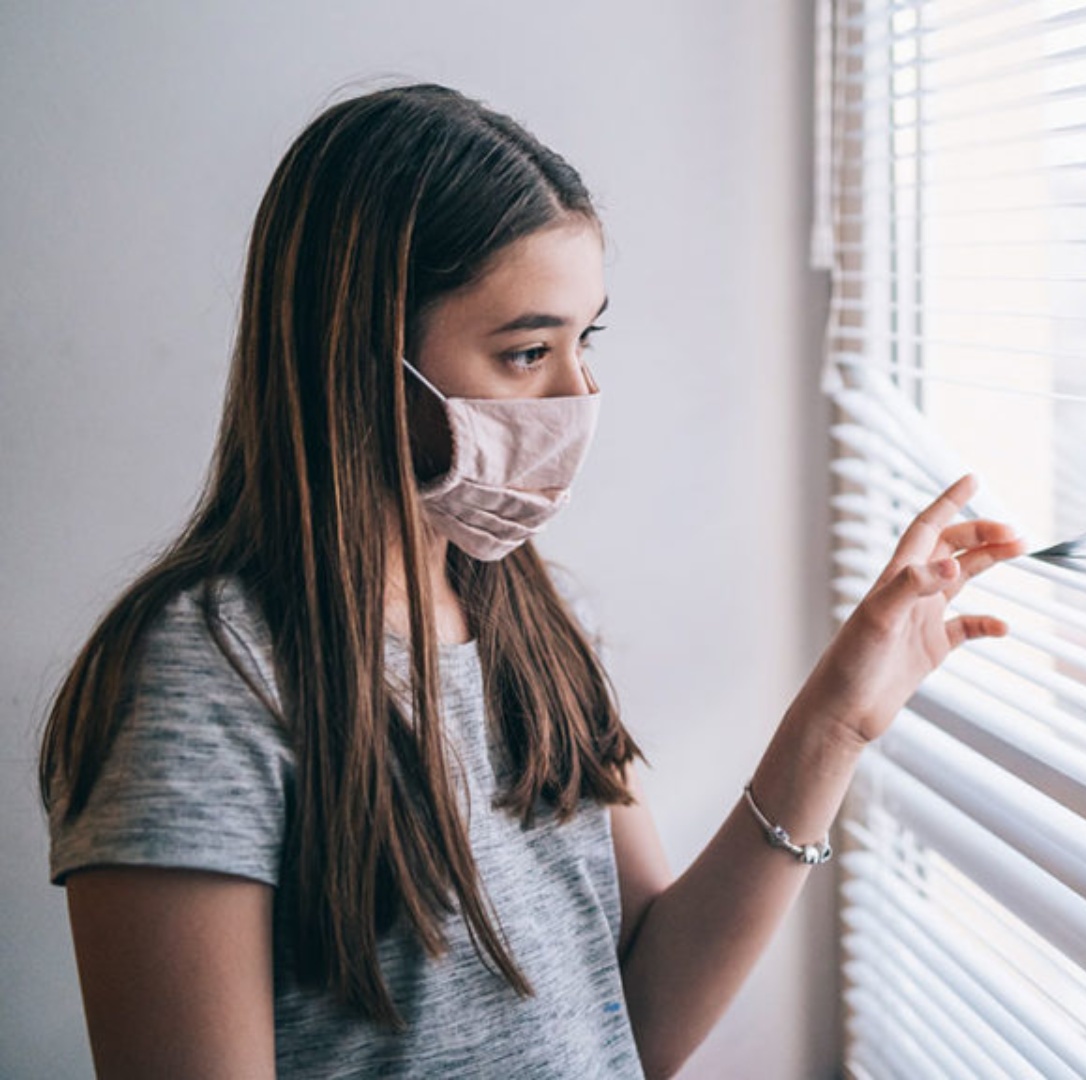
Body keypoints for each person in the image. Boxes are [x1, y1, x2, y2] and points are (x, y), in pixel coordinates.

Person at [38, 83, 1022, 1079]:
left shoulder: (531, 620)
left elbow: (635, 1023)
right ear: (359, 361)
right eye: (525, 351)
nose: (578, 394)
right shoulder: (202, 682)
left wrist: (834, 725)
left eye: (583, 340)